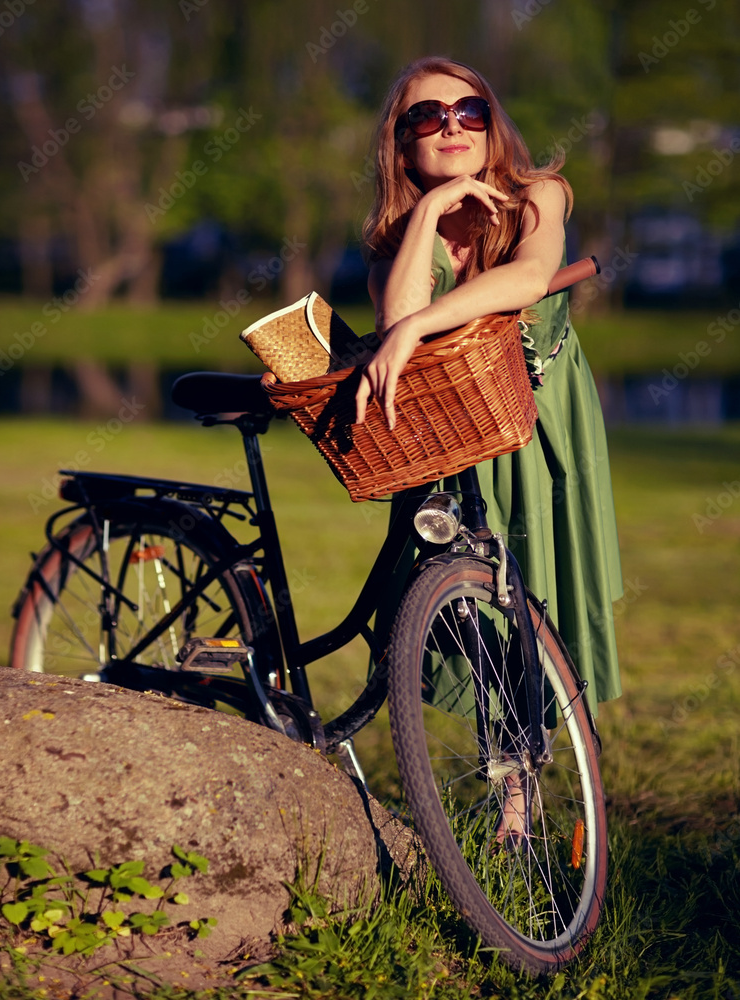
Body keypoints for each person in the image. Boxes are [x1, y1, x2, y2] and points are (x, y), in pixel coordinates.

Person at [353, 57, 623, 837]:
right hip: (455, 436)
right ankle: (511, 792)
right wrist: (432, 210)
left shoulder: (540, 194)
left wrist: (411, 330)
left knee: (542, 593)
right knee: (474, 608)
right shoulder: (396, 243)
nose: (451, 126)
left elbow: (530, 280)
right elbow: (396, 301)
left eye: (469, 111)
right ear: (399, 146)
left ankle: (558, 773)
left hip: (544, 433)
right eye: (426, 118)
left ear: (492, 122)